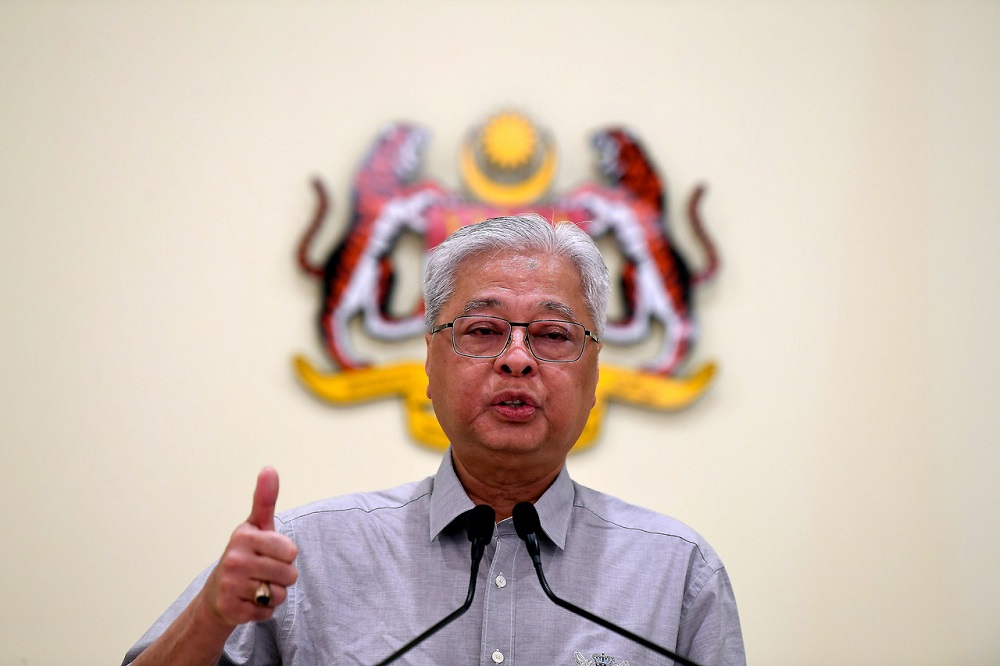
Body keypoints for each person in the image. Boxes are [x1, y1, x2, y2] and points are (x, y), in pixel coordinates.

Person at [123, 213, 745, 665]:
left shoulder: (676, 573)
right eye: (482, 329)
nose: (518, 359)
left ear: (593, 373)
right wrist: (211, 616)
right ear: (430, 361)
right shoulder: (304, 557)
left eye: (554, 336)